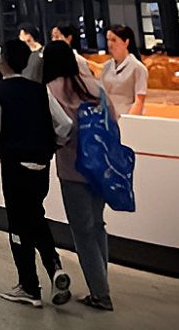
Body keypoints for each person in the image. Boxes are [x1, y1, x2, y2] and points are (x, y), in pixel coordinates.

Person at [0, 38, 74, 308]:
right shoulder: (40, 90)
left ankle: (29, 286)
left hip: (15, 167)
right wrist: (54, 145)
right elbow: (65, 125)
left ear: (3, 62)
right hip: (41, 166)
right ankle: (54, 266)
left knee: (18, 225)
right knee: (35, 216)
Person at [42, 41, 115, 310]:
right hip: (101, 167)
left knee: (82, 232)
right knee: (97, 226)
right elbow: (113, 121)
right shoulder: (94, 86)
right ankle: (101, 284)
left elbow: (56, 128)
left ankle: (101, 294)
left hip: (73, 168)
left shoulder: (51, 89)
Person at [100, 25, 148, 117]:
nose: (109, 44)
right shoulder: (106, 66)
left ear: (126, 42)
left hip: (128, 116)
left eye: (114, 40)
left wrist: (128, 121)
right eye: (108, 40)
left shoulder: (138, 68)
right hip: (109, 117)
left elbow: (139, 100)